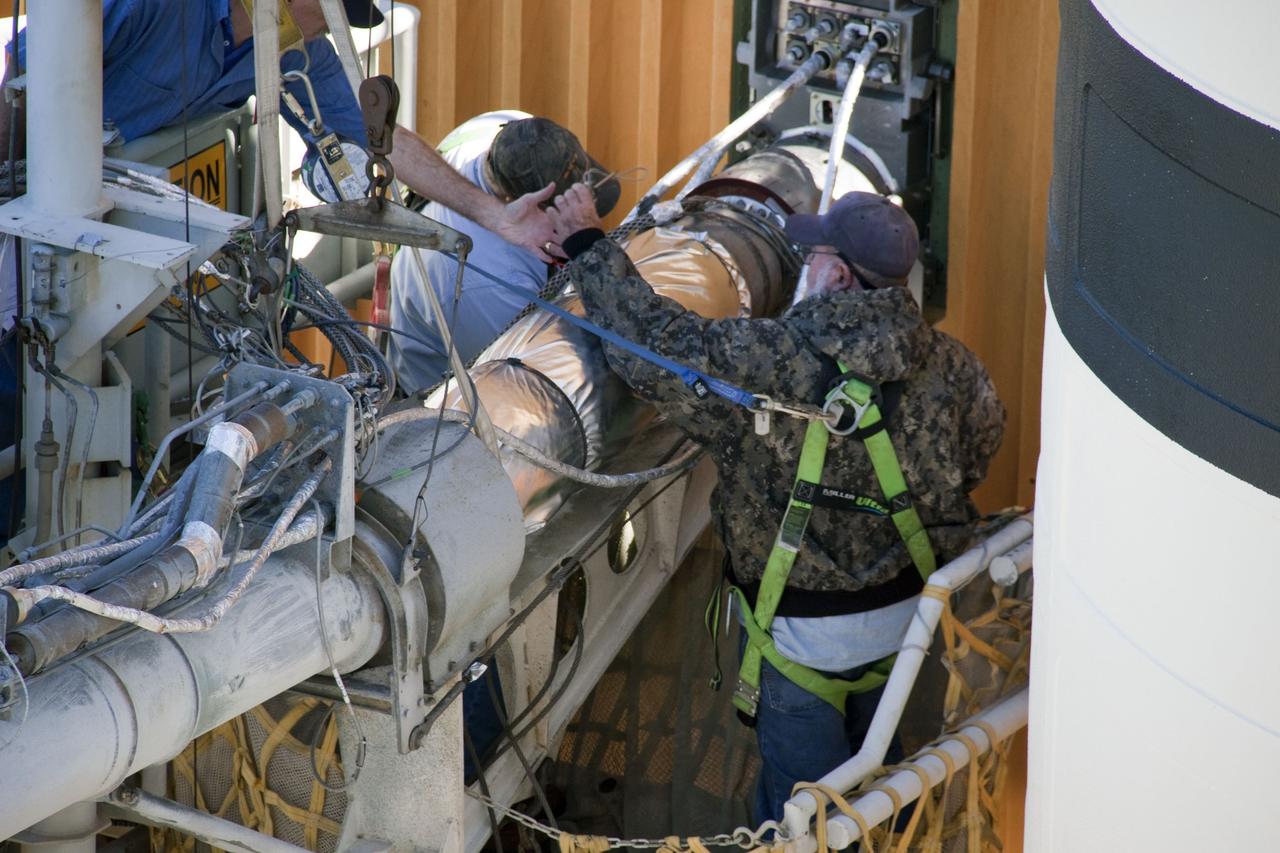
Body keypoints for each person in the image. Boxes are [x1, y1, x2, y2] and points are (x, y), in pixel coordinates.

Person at [546, 185, 1005, 823]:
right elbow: (980, 450)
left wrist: (589, 246)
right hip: (908, 626)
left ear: (837, 273)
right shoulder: (955, 366)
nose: (804, 268)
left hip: (801, 639)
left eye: (812, 256)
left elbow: (652, 349)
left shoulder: (772, 362)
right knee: (884, 797)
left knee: (799, 821)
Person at [1, 0, 556, 258]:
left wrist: (495, 216)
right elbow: (20, 80)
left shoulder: (296, 49)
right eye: (332, 10)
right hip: (28, 214)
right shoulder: (152, 4)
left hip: (124, 236)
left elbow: (375, 138)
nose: (327, 28)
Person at [388, 111, 618, 392]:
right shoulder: (485, 282)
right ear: (523, 203)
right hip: (457, 407)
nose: (584, 212)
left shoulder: (495, 131)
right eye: (565, 206)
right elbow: (530, 382)